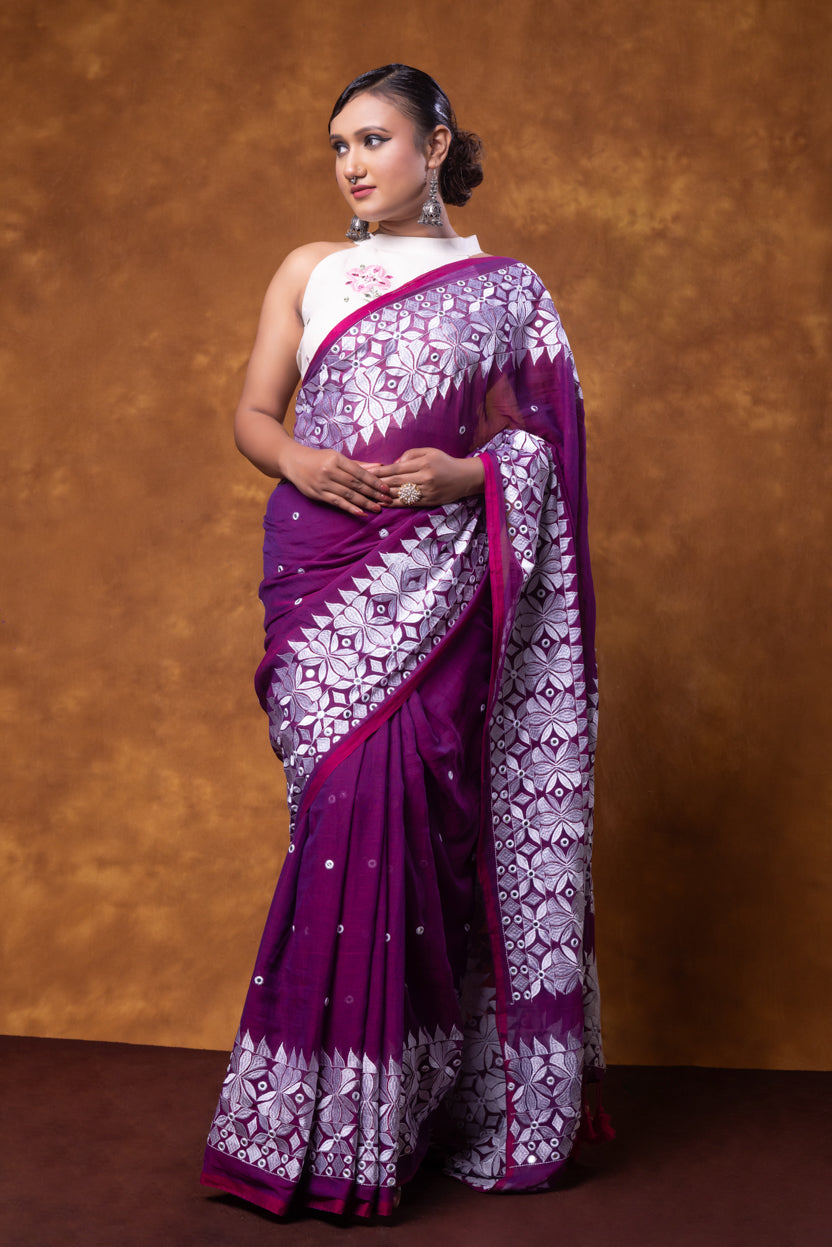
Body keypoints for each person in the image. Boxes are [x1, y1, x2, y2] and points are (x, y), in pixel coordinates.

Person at [201, 64, 610, 1222]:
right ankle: (307, 1120)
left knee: (416, 828)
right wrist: (296, 460)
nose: (351, 164)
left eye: (373, 139)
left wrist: (464, 475)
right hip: (317, 573)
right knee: (337, 814)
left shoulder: (506, 290)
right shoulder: (309, 270)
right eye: (337, 146)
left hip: (439, 582)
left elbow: (554, 452)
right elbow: (251, 412)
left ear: (436, 145)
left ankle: (408, 1113)